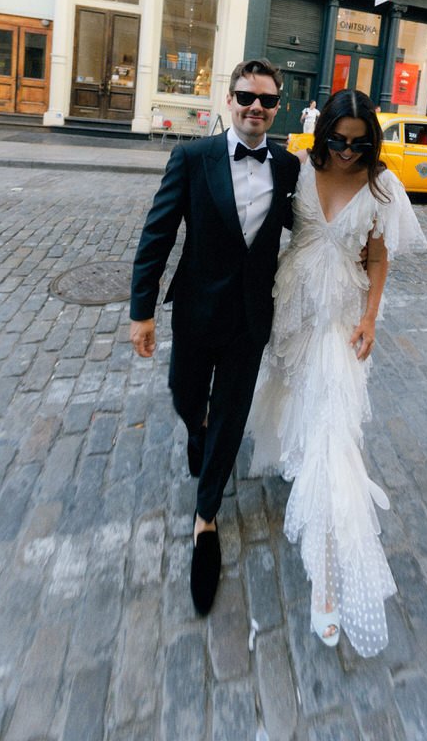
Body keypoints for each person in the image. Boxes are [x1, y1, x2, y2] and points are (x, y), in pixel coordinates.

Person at [248, 89, 427, 656]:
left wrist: (372, 319)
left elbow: (378, 258)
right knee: (292, 397)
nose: (348, 151)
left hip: (341, 322)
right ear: (322, 132)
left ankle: (329, 586)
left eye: (359, 142)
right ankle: (299, 463)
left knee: (333, 437)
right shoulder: (297, 169)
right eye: (337, 140)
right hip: (291, 309)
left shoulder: (381, 187)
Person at [129, 57, 300, 616]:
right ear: (229, 100)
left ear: (278, 108)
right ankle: (195, 429)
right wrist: (142, 310)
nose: (256, 107)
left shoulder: (288, 166)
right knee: (186, 397)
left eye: (267, 100)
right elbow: (157, 235)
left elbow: (314, 224)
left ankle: (205, 522)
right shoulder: (192, 157)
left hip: (252, 320)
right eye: (246, 96)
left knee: (230, 417)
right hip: (197, 314)